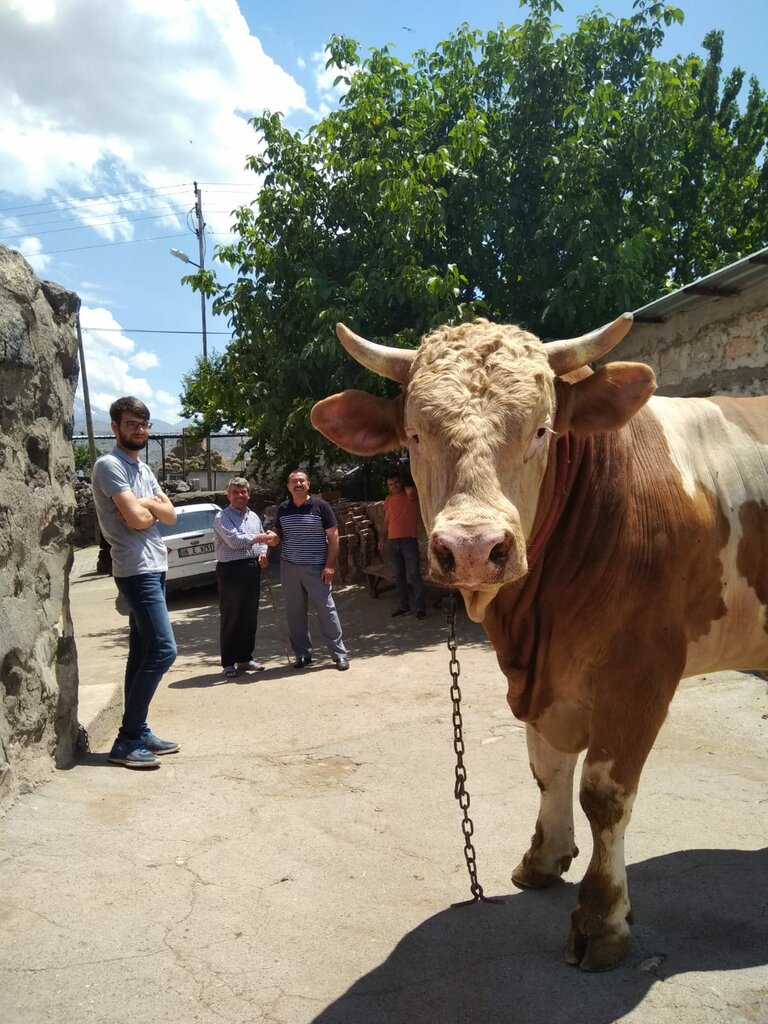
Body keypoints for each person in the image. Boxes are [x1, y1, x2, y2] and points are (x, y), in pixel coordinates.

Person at [91, 397, 179, 769]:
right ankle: (126, 741)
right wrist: (148, 508)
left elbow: (170, 515)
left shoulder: (142, 469)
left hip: (155, 566)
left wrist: (147, 506)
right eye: (131, 424)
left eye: (143, 425)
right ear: (115, 427)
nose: (139, 431)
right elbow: (137, 519)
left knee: (142, 653)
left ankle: (139, 729)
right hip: (135, 568)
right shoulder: (108, 465)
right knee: (164, 650)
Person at [271, 470, 349, 671]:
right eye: (294, 481)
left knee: (326, 610)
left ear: (308, 484)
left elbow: (334, 537)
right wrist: (272, 537)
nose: (298, 484)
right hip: (289, 568)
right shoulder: (283, 509)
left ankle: (339, 654)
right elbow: (278, 533)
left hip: (317, 567)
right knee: (295, 613)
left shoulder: (321, 506)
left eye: (301, 480)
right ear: (288, 486)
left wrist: (330, 565)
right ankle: (303, 655)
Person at [213, 477, 277, 678]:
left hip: (252, 567)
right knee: (232, 615)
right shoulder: (221, 517)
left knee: (249, 616)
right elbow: (234, 541)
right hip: (231, 570)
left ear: (248, 494)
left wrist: (264, 553)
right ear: (228, 494)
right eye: (235, 492)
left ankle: (245, 658)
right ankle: (229, 662)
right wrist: (261, 538)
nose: (240, 496)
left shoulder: (254, 517)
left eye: (243, 492)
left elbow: (261, 539)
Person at [378, 471, 427, 619]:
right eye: (390, 484)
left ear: (401, 481)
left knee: (415, 575)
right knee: (399, 576)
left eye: (396, 483)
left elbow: (412, 490)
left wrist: (405, 482)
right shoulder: (388, 499)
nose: (394, 486)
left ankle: (421, 609)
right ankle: (403, 606)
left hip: (409, 541)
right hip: (393, 541)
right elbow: (387, 521)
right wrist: (382, 538)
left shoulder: (409, 494)